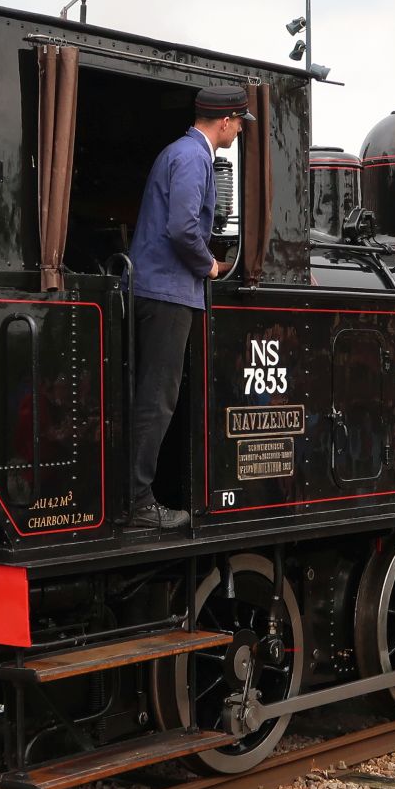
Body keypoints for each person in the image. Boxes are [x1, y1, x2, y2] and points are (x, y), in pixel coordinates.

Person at [124, 86, 250, 529]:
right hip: (168, 291)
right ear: (225, 120)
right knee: (157, 400)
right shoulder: (195, 158)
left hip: (155, 287)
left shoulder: (176, 153)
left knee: (152, 397)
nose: (238, 130)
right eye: (238, 123)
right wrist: (211, 266)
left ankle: (136, 496)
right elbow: (181, 228)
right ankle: (137, 501)